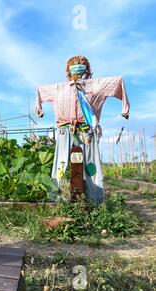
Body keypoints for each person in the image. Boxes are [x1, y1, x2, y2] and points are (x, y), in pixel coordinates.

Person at [35, 55, 130, 204]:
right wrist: (39, 110)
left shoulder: (96, 85)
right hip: (65, 131)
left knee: (91, 165)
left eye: (81, 64)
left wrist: (125, 109)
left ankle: (95, 201)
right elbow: (40, 90)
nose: (78, 66)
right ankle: (56, 200)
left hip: (87, 131)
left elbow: (118, 81)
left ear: (87, 69)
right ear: (68, 70)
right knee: (61, 163)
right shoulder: (58, 88)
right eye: (74, 65)